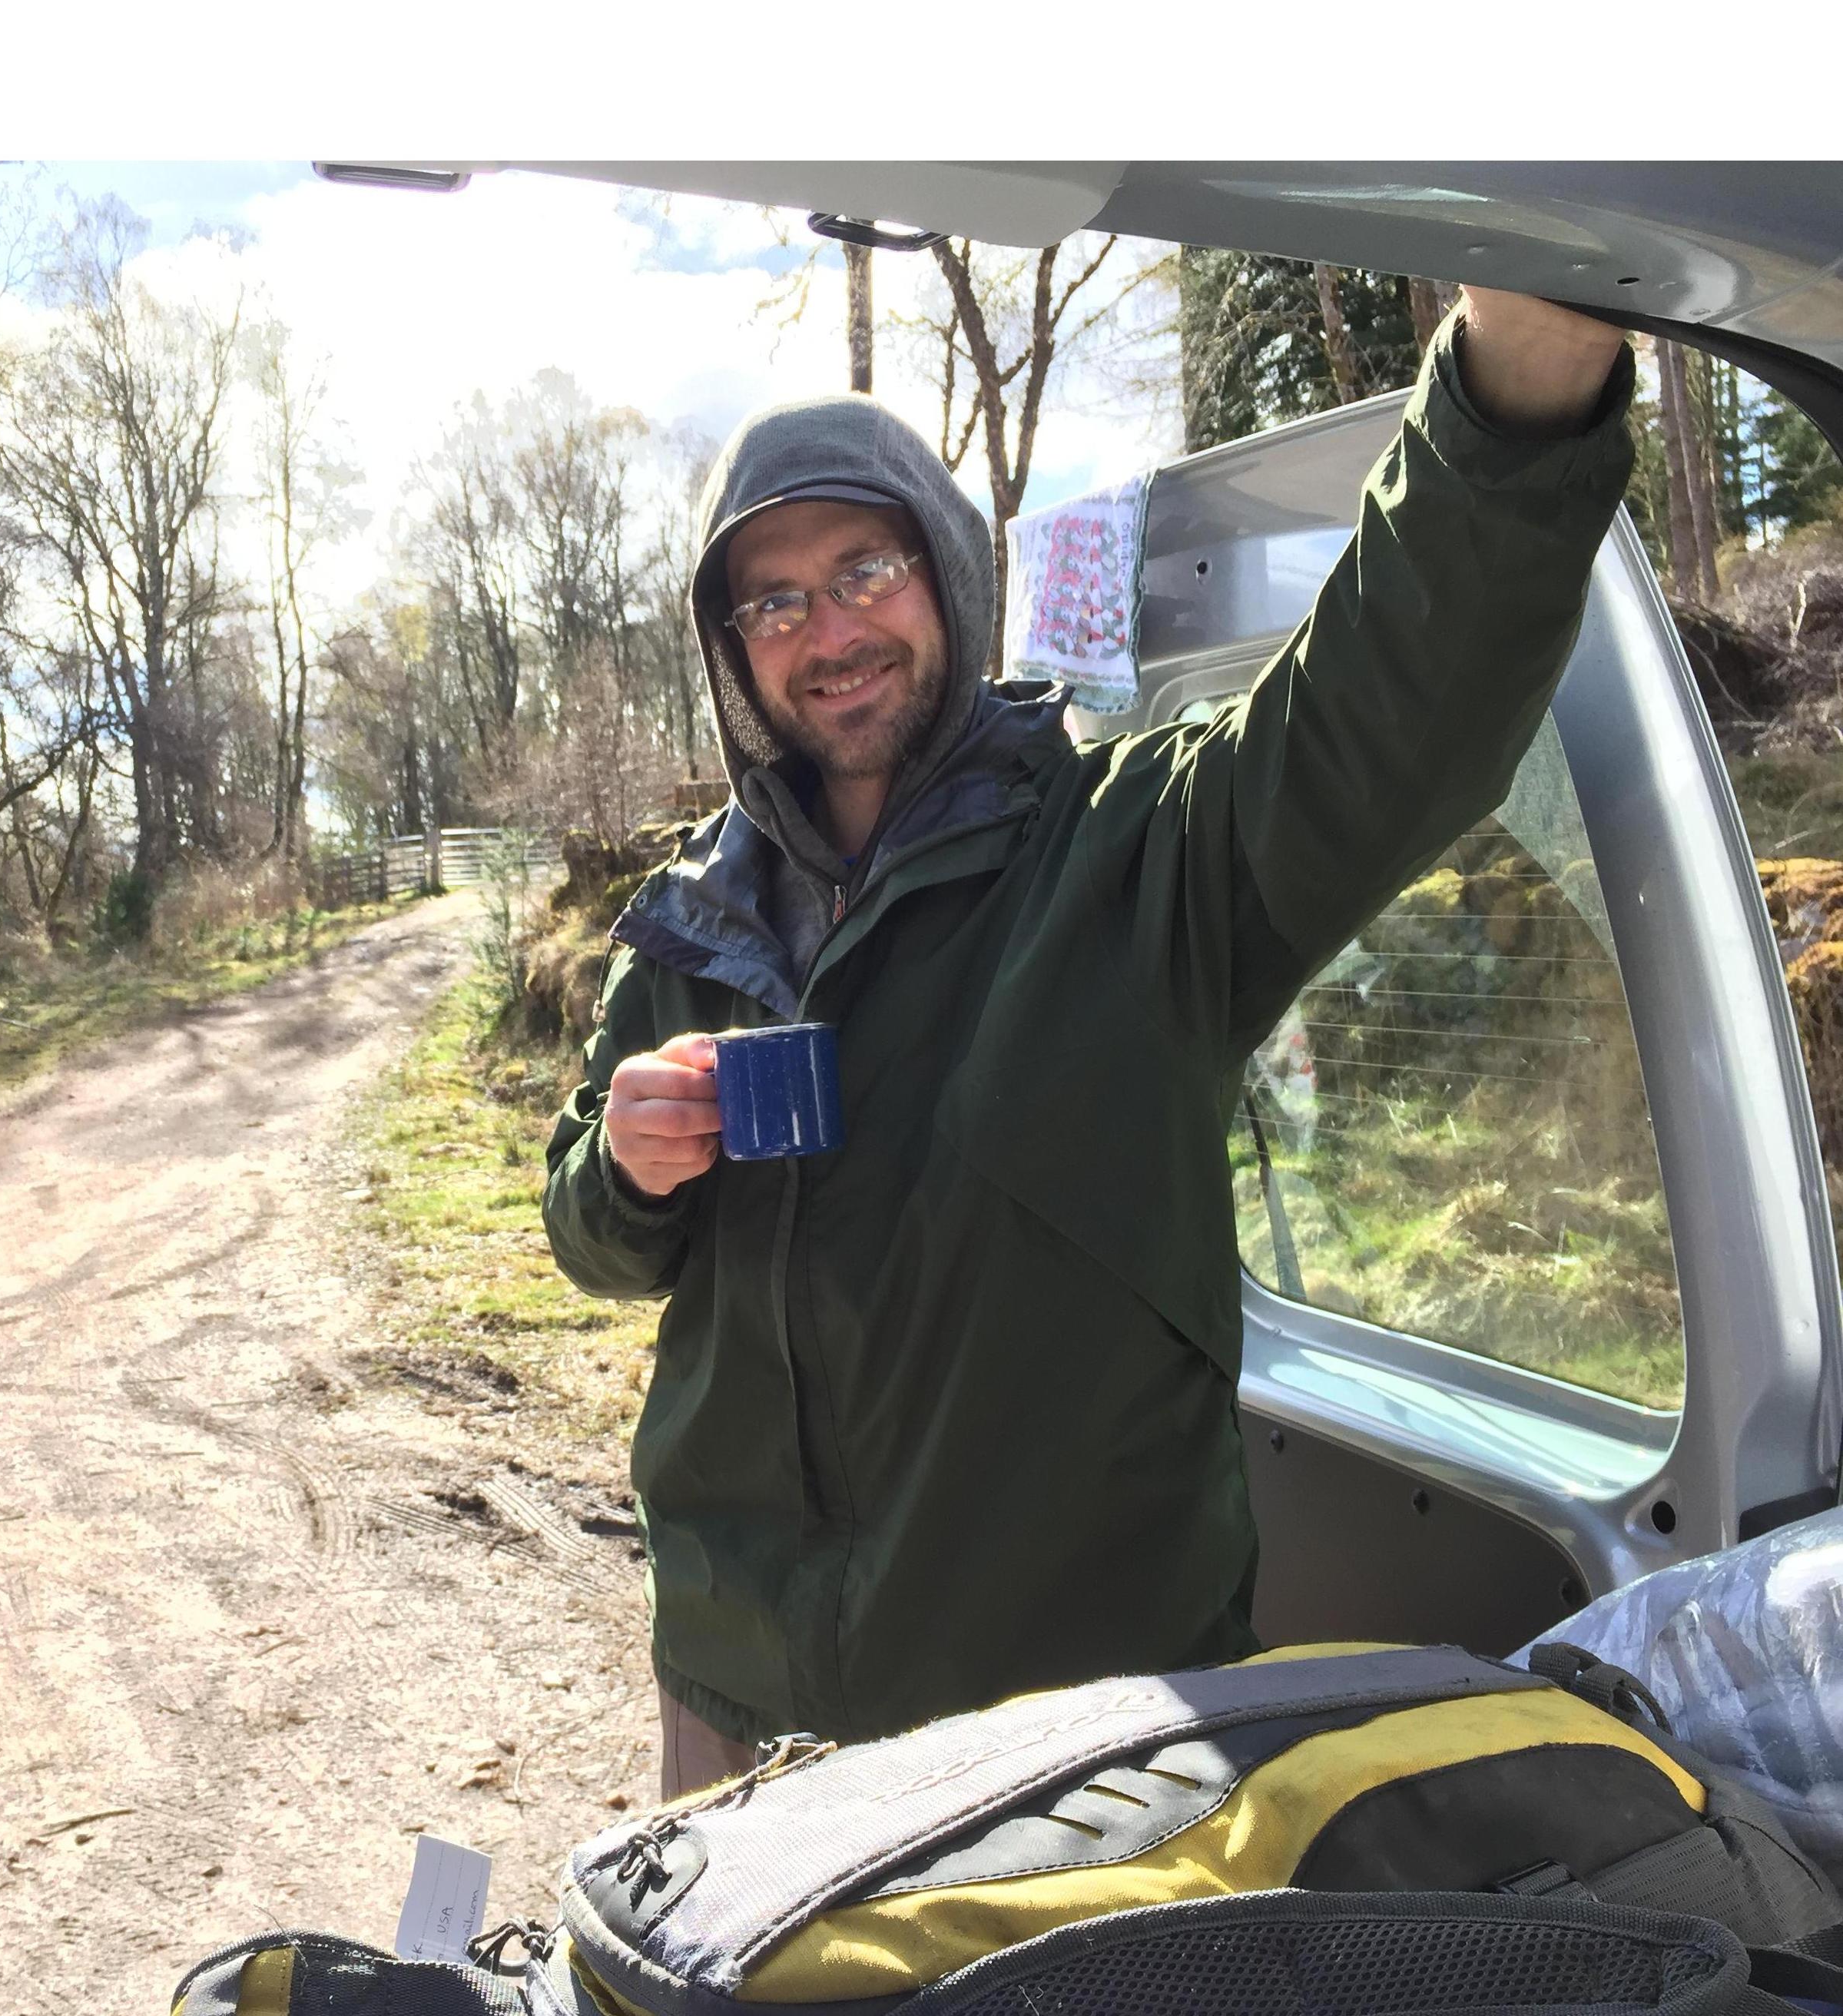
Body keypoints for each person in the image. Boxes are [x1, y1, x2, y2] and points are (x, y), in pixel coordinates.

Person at [542, 288, 1633, 1799]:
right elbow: (593, 1246)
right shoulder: (684, 928)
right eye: (775, 602)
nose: (829, 630)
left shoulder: (1137, 858)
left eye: (865, 567)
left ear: (948, 574)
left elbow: (1390, 711)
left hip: (1063, 1752)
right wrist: (625, 1167)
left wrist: (1517, 384)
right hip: (734, 1710)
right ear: (735, 653)